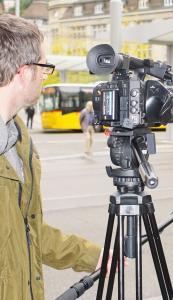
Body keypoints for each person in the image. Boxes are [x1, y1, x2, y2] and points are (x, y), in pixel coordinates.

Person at [0, 14, 110, 300]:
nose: (45, 74)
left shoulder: (19, 138)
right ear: (24, 72)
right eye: (44, 66)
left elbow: (29, 231)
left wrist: (93, 256)